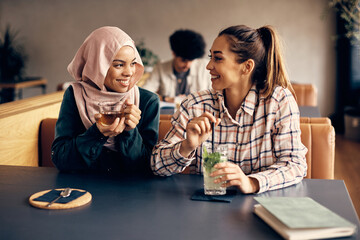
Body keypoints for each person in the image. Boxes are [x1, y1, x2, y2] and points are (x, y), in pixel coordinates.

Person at [151, 25, 308, 194]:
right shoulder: (195, 105)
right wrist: (187, 146)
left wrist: (252, 183)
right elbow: (157, 165)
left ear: (247, 67)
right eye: (211, 57)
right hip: (205, 211)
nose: (208, 66)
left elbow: (295, 164)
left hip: (260, 209)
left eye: (218, 58)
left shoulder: (278, 101)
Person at [52, 26, 160, 175]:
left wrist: (130, 132)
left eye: (133, 63)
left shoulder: (148, 101)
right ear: (98, 65)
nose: (129, 72)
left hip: (132, 194)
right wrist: (97, 133)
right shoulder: (75, 95)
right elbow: (61, 159)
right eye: (119, 65)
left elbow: (148, 166)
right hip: (83, 191)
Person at [142, 29, 211, 103]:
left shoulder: (205, 67)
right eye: (183, 60)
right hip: (168, 114)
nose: (187, 65)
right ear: (174, 54)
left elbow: (214, 95)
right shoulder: (161, 68)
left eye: (191, 60)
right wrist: (166, 99)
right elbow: (145, 93)